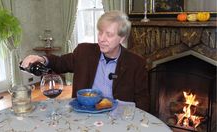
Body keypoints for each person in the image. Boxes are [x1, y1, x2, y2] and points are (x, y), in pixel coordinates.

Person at [21, 10, 150, 112]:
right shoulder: (84, 51)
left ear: (122, 38)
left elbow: (142, 101)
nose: (102, 39)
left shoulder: (136, 63)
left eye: (109, 35)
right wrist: (41, 59)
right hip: (84, 112)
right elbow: (60, 63)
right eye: (100, 33)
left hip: (117, 116)